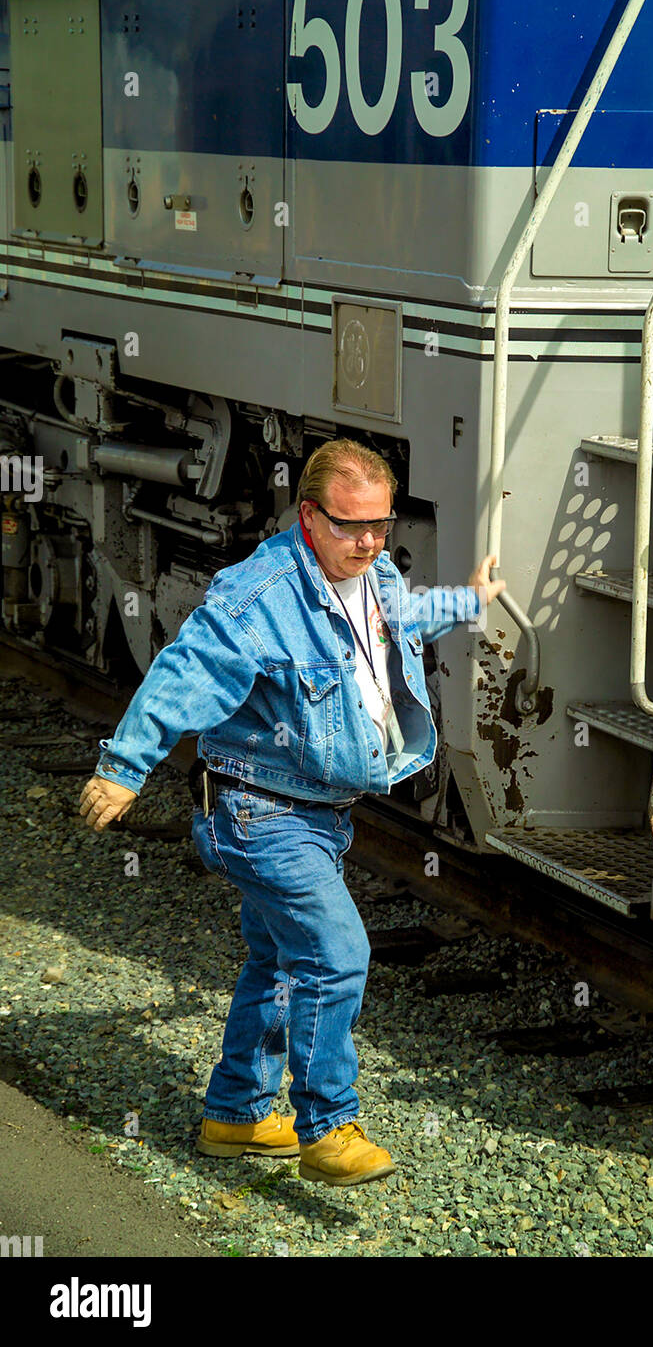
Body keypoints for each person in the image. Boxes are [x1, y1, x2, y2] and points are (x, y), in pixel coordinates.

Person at [79, 438, 506, 1187]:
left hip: (318, 815)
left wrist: (468, 600)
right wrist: (124, 769)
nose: (369, 542)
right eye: (350, 525)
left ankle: (237, 1114)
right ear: (309, 515)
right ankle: (329, 1126)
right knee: (337, 955)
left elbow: (404, 619)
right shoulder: (260, 594)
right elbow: (183, 674)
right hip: (257, 812)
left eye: (382, 524)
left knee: (277, 961)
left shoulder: (371, 576)